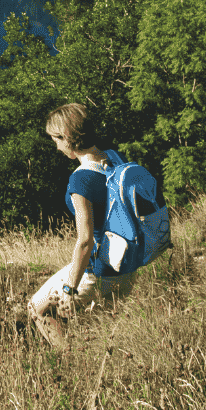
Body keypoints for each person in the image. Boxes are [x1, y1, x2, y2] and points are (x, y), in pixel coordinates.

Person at [28, 103, 137, 350]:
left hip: (99, 271)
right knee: (101, 328)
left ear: (67, 138)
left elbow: (85, 241)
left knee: (37, 308)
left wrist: (70, 289)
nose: (56, 147)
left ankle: (68, 360)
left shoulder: (81, 179)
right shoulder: (116, 158)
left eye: (56, 140)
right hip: (127, 265)